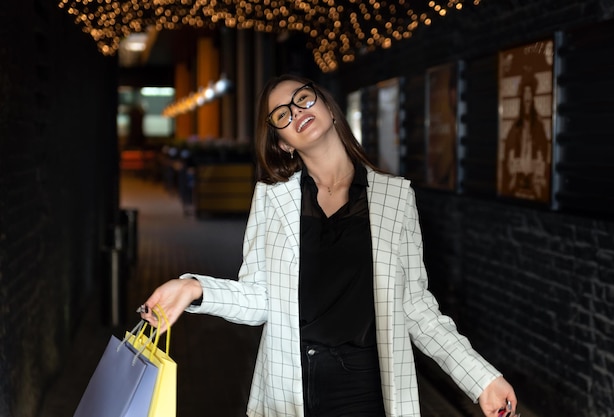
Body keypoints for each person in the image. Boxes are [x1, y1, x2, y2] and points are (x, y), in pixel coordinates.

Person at [140, 74, 519, 417]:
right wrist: (194, 288)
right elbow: (260, 298)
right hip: (291, 392)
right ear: (282, 143)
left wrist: (480, 378)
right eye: (281, 115)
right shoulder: (273, 201)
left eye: (302, 99)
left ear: (327, 107)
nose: (295, 112)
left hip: (368, 391)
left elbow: (416, 307)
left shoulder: (396, 197)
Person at [500, 67, 550, 202]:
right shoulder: (515, 127)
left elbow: (543, 154)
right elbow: (508, 154)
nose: (527, 96)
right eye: (525, 92)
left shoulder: (539, 126)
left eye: (530, 92)